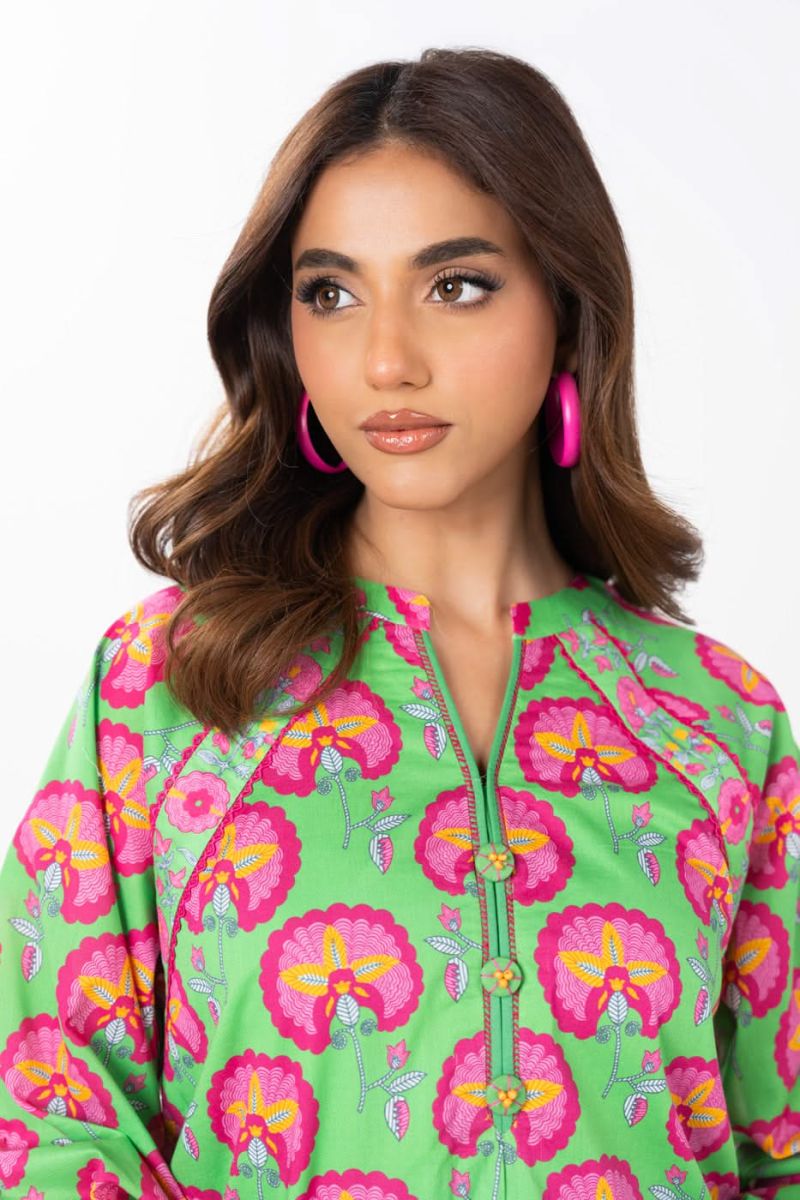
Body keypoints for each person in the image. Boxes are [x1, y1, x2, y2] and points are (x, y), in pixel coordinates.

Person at [0, 46, 797, 1200]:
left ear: (566, 309)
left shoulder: (718, 722)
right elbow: (45, 1114)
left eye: (454, 285)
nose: (384, 360)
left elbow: (780, 1153)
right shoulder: (168, 686)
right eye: (330, 294)